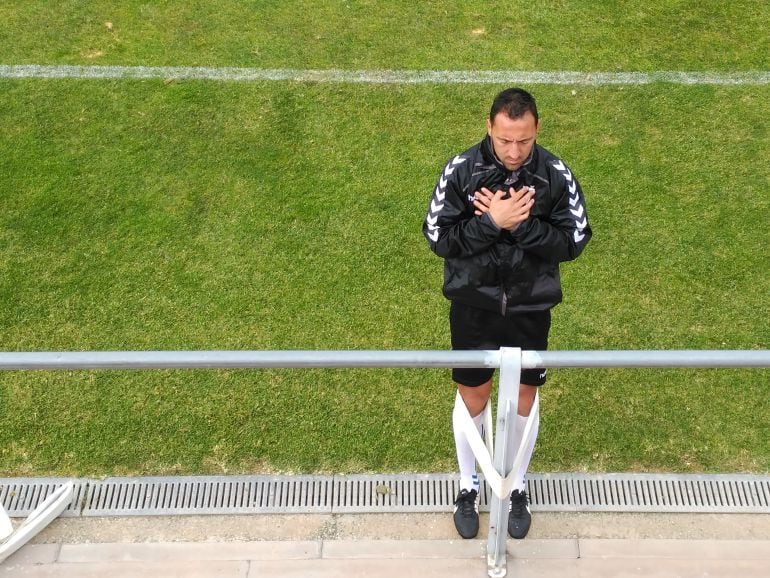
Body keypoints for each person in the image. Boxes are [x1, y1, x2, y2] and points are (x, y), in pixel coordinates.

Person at [423, 87, 591, 540]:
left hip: (530, 307)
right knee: (473, 398)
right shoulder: (460, 171)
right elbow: (438, 236)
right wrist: (489, 223)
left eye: (524, 141)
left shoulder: (556, 175)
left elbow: (574, 240)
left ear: (536, 130)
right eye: (505, 141)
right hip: (473, 306)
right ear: (489, 127)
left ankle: (517, 487)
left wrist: (523, 227)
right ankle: (467, 486)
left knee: (522, 401)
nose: (514, 152)